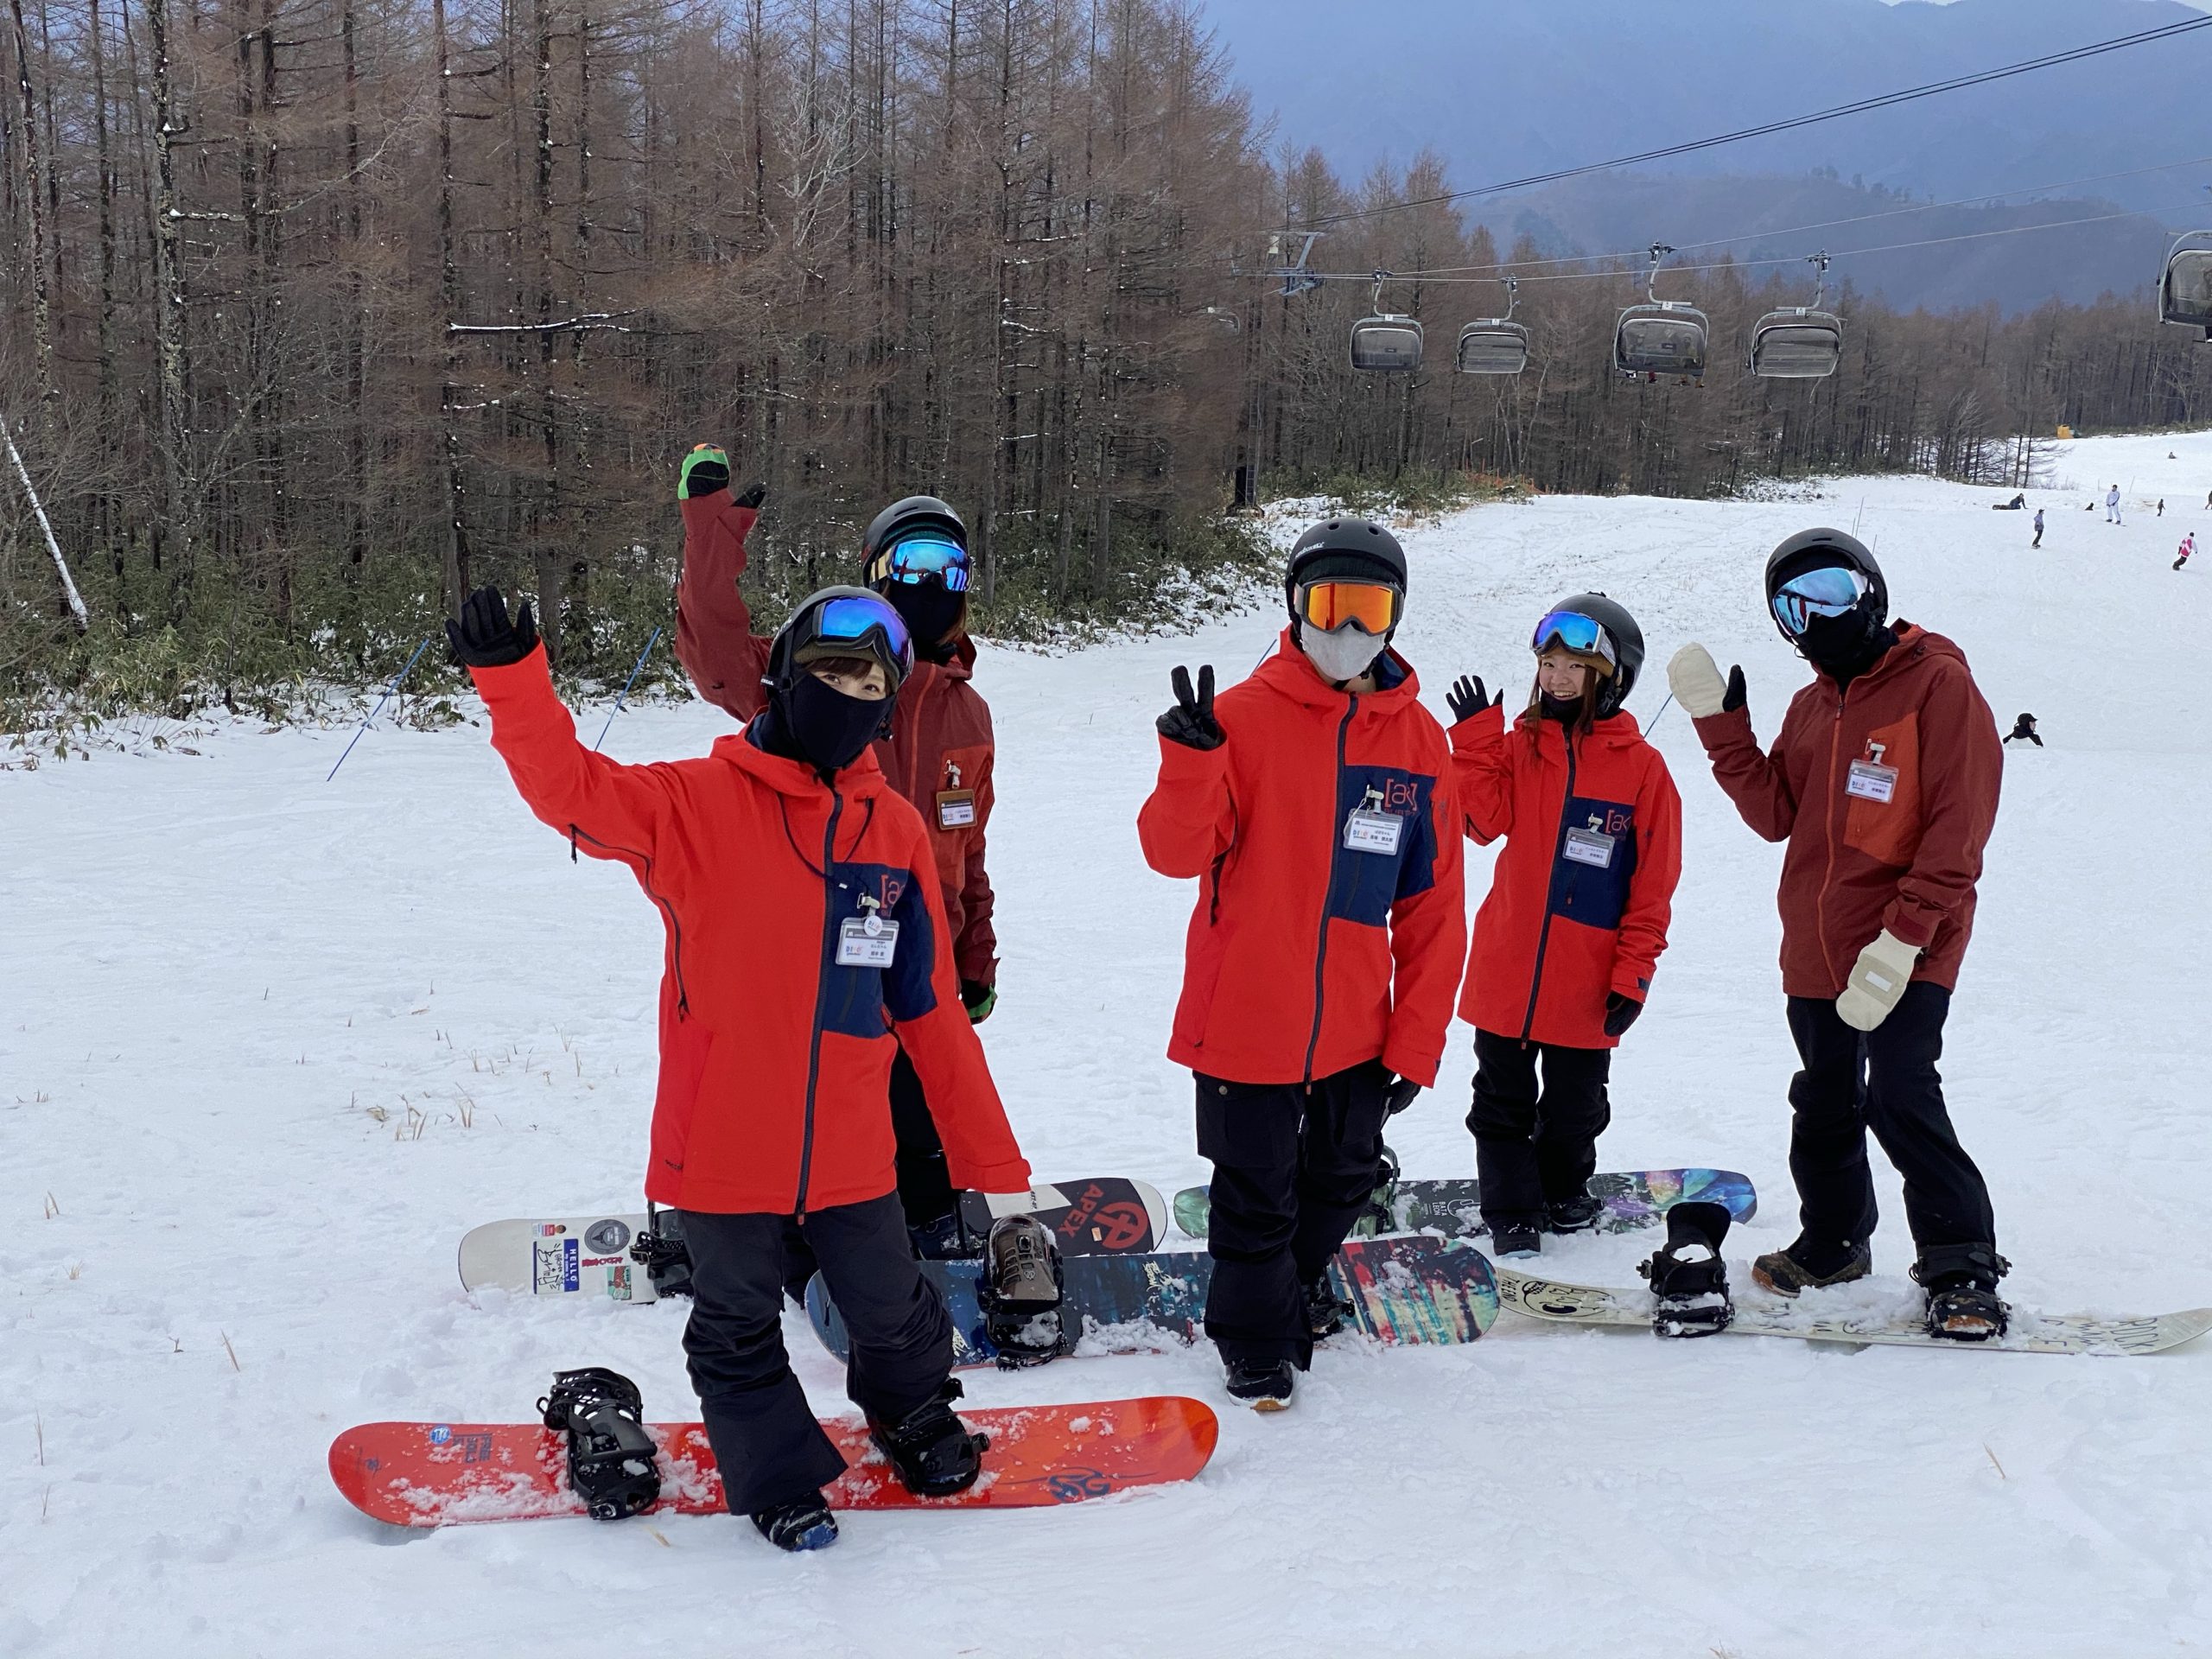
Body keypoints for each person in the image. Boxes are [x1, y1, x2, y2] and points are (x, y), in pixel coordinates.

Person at [447, 582, 1032, 1551]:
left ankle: (912, 1413)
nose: (849, 691)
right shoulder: (690, 803)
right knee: (736, 1325)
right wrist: (513, 682)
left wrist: (991, 1164)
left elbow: (927, 1009)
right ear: (781, 679)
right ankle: (777, 1472)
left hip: (849, 1141)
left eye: (869, 679)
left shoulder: (888, 830)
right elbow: (572, 790)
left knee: (893, 1309)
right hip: (721, 1140)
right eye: (829, 669)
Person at [1138, 518, 1465, 1411]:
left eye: (1369, 609)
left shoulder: (1419, 743)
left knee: (1342, 1178)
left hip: (1358, 1022)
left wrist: (1417, 1038)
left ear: (1395, 617)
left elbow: (1433, 905)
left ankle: (1294, 1281)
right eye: (1330, 605)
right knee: (1255, 1194)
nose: (1348, 630)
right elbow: (1171, 854)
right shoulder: (1238, 718)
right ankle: (1251, 1337)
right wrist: (1189, 765)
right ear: (1294, 606)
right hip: (1246, 1011)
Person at [1665, 529, 2010, 1341]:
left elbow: (1961, 828)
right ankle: (1834, 1243)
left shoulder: (1938, 686)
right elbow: (1775, 814)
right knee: (1824, 1099)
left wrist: (1905, 936)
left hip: (1907, 947)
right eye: (1794, 604)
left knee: (1898, 1094)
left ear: (1871, 590)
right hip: (1818, 948)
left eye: (1830, 590)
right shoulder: (1812, 705)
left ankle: (1960, 1265)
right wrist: (1720, 725)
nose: (1816, 615)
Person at [673, 446, 1001, 1261]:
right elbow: (716, 652)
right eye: (912, 561)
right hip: (811, 954)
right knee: (812, 1108)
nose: (932, 580)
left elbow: (970, 848)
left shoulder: (971, 716)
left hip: (918, 964)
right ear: (877, 572)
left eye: (949, 564)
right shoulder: (820, 671)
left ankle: (926, 1226)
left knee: (918, 1109)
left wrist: (976, 954)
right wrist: (709, 533)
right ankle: (769, 1230)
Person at [1445, 594, 1681, 1258]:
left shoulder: (1642, 771)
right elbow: (1482, 823)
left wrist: (1634, 971)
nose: (1554, 678)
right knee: (1500, 1105)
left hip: (1588, 978)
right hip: (1508, 970)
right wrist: (1476, 744)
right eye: (1548, 663)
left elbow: (1653, 884)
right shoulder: (1520, 747)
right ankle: (1512, 1207)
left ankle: (1562, 1186)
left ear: (1610, 676)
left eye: (1572, 666)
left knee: (1577, 1109)